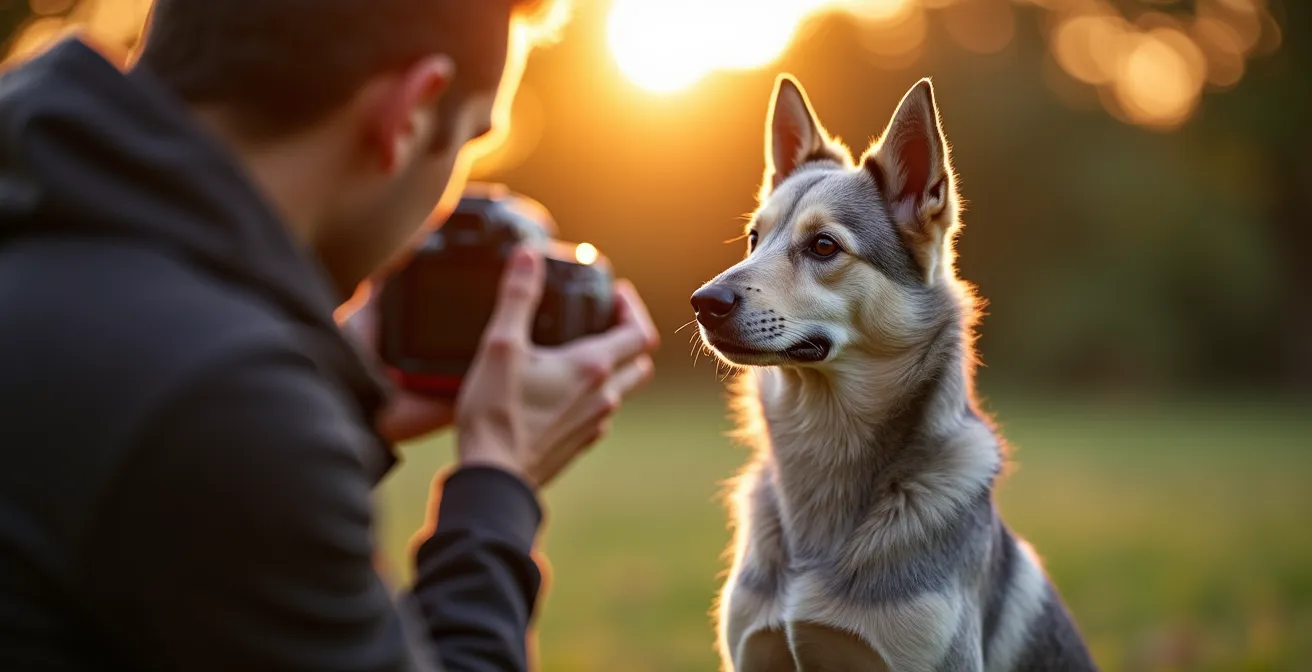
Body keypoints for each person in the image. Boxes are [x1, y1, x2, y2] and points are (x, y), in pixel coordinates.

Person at [0, 0, 660, 670]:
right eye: (468, 140)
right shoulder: (218, 403)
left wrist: (333, 395)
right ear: (410, 112)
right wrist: (498, 483)